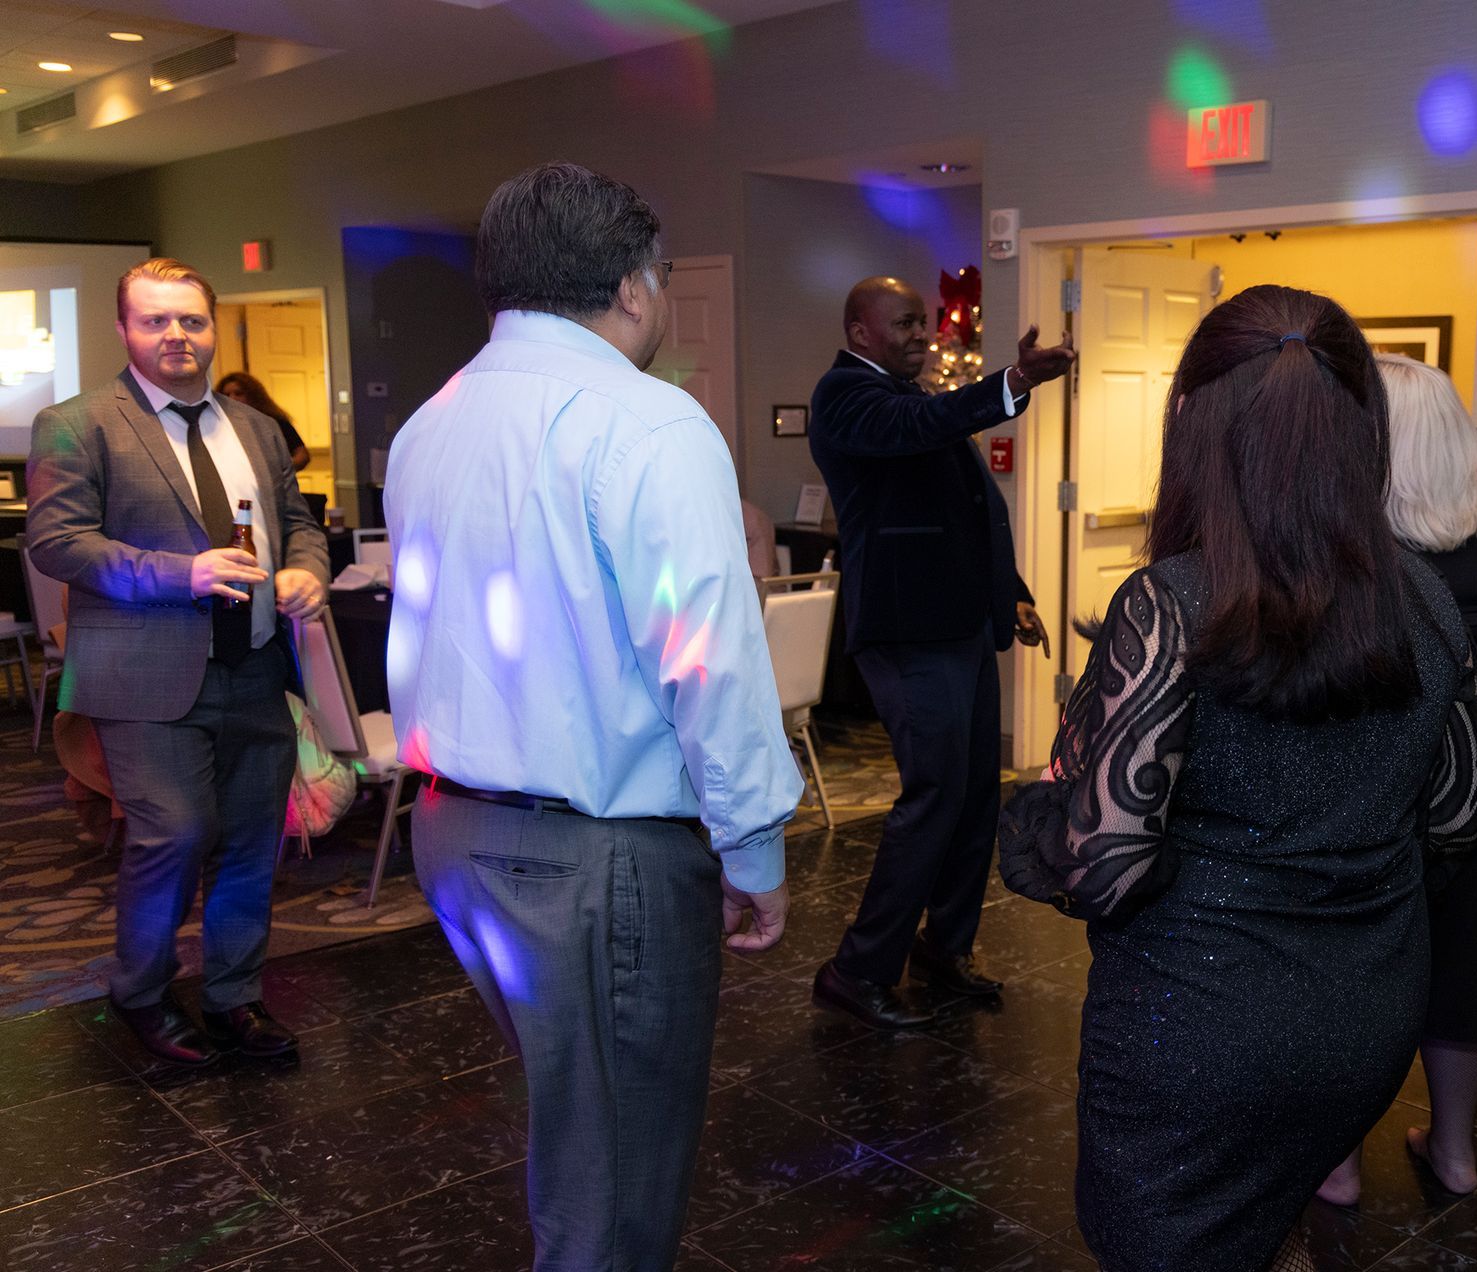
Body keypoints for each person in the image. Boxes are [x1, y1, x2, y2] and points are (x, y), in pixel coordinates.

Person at [384, 162, 800, 1272]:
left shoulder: (432, 423)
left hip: (452, 831)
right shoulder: (647, 423)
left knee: (575, 1123)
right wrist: (753, 845)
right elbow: (704, 655)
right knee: (613, 1183)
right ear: (630, 286)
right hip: (591, 861)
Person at [1059, 286, 1466, 1270]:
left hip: (1197, 1031)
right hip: (1367, 1017)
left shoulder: (1166, 606)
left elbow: (1099, 872)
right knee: (1273, 1225)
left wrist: (1058, 797)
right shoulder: (1428, 597)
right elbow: (1452, 820)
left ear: (1193, 426)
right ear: (1360, 425)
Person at [27, 258, 328, 1066]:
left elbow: (297, 522)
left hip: (257, 668)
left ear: (212, 327)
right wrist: (180, 574)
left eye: (191, 321)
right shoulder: (77, 422)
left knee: (250, 841)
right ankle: (143, 994)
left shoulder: (256, 428)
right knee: (177, 834)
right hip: (143, 679)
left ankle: (235, 998)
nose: (176, 336)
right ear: (124, 329)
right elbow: (57, 543)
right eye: (156, 320)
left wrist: (306, 570)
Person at [1317, 354, 1477, 1205]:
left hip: (1370, 745)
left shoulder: (1341, 536)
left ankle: (1339, 1164)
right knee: (1468, 941)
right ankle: (1453, 1153)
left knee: (1351, 946)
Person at [806, 275, 1073, 1029]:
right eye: (904, 324)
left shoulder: (912, 400)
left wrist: (1010, 591)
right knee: (933, 800)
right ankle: (858, 970)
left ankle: (944, 948)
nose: (922, 335)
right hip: (907, 631)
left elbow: (969, 512)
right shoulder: (847, 397)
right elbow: (914, 432)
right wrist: (1014, 381)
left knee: (973, 797)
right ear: (861, 333)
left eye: (923, 321)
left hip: (957, 626)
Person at [216, 371, 310, 471]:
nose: (232, 398)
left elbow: (302, 455)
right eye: (226, 395)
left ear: (253, 396)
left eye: (238, 394)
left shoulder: (273, 421)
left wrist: (281, 471)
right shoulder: (218, 424)